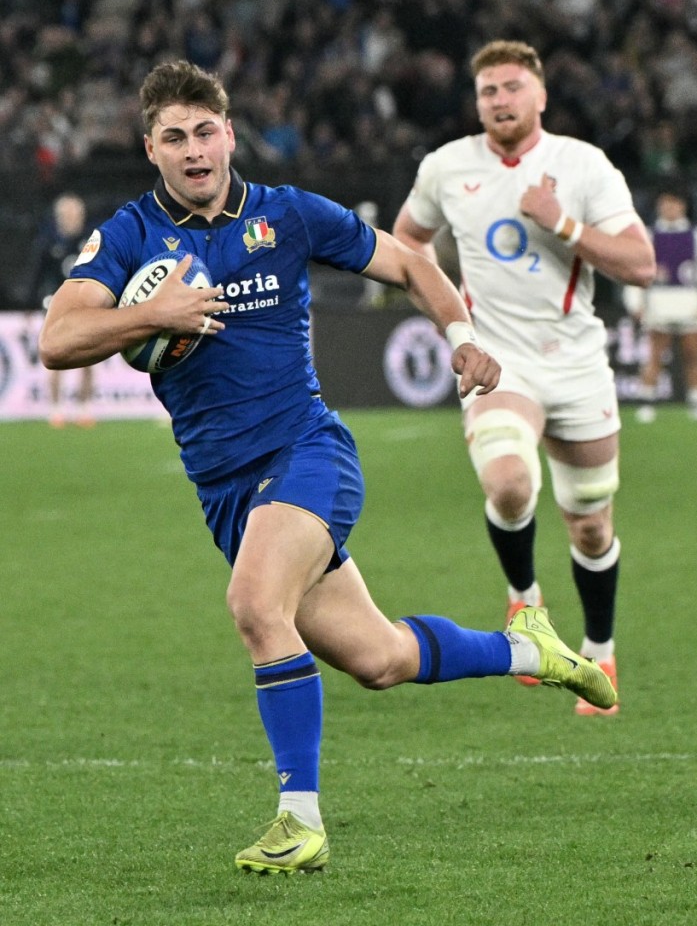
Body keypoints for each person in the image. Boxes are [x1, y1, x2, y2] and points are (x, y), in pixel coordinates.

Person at [38, 59, 616, 875]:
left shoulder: (288, 216)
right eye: (176, 137)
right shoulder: (131, 234)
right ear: (152, 149)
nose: (195, 149)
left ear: (231, 135)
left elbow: (412, 264)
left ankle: (299, 822)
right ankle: (533, 648)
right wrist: (150, 314)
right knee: (379, 659)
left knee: (253, 603)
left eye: (207, 131)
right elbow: (57, 339)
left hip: (307, 454)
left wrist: (462, 339)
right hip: (227, 491)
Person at [393, 40, 656, 718]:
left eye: (512, 87)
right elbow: (407, 246)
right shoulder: (447, 167)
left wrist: (563, 223)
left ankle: (599, 651)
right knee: (508, 483)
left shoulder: (581, 165)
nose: (500, 101)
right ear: (476, 101)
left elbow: (640, 262)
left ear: (540, 96)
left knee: (592, 528)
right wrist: (454, 318)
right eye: (488, 92)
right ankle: (527, 603)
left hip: (575, 364)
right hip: (499, 360)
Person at [623, 183, 697, 423]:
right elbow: (637, 268)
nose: (670, 207)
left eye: (675, 202)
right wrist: (635, 302)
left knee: (694, 354)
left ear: (683, 206)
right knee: (655, 355)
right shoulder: (649, 233)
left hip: (690, 303)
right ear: (659, 205)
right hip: (659, 303)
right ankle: (647, 403)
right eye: (665, 202)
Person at [28, 192, 96, 427]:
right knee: (57, 357)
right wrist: (30, 305)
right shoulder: (48, 243)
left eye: (76, 213)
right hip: (56, 308)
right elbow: (37, 276)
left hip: (85, 307)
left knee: (88, 359)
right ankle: (56, 408)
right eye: (67, 214)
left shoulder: (91, 241)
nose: (72, 218)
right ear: (58, 217)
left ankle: (85, 408)